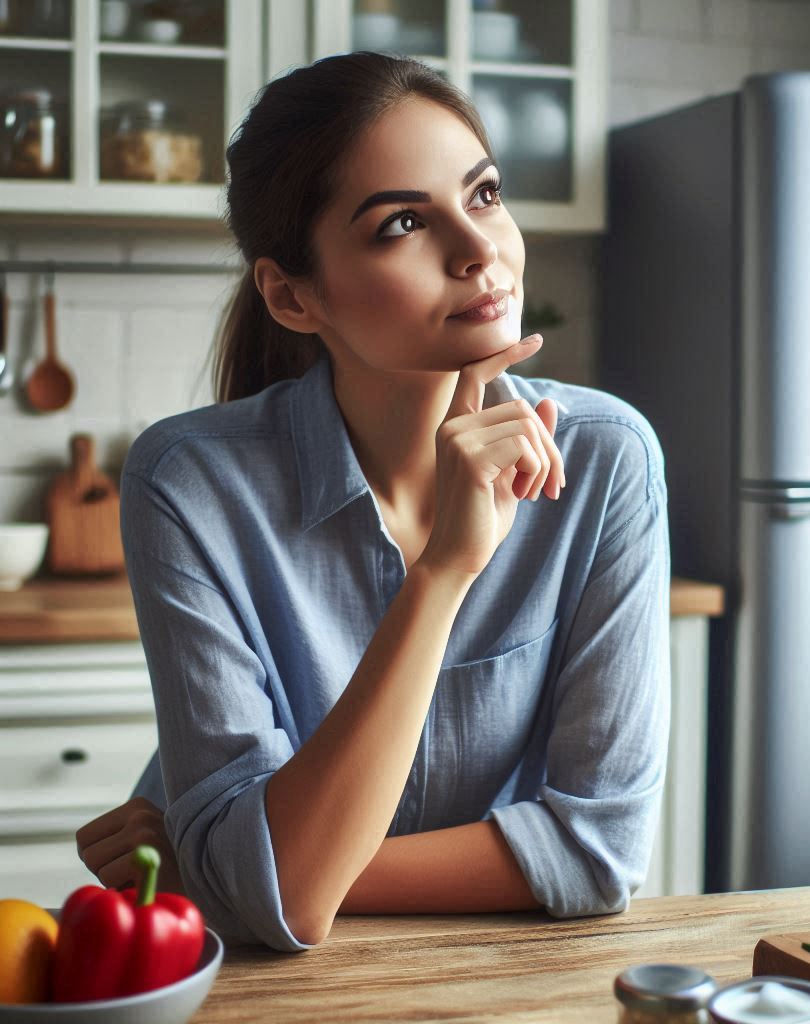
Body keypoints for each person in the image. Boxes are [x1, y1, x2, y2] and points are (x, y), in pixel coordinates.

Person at [73, 52, 671, 953]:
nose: (479, 251)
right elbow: (286, 908)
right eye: (401, 223)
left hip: (496, 986)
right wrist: (444, 573)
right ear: (291, 294)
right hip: (261, 992)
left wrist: (229, 866)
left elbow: (598, 851)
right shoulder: (188, 482)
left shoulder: (607, 458)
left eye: (484, 194)